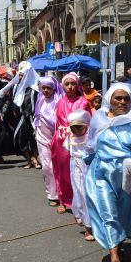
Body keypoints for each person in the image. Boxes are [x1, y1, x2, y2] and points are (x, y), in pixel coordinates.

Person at [85, 83, 131, 262]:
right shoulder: (99, 119)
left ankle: (121, 243)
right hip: (102, 173)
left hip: (128, 177)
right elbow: (90, 146)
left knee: (125, 211)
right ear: (109, 100)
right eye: (117, 98)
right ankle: (114, 256)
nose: (122, 102)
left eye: (126, 98)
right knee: (108, 212)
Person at [52, 73, 91, 213]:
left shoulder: (83, 102)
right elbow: (57, 123)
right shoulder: (60, 102)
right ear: (62, 85)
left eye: (73, 83)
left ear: (77, 85)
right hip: (61, 139)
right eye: (67, 84)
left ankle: (79, 202)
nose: (70, 87)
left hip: (78, 140)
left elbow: (88, 121)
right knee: (62, 171)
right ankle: (63, 199)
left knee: (78, 171)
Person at [34, 76, 64, 207]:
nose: (45, 90)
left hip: (57, 137)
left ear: (53, 88)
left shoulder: (59, 100)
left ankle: (63, 193)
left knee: (59, 166)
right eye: (43, 88)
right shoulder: (39, 99)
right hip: (42, 136)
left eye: (48, 88)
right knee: (47, 166)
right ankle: (52, 194)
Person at [68, 109, 94, 241]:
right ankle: (87, 225)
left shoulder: (90, 137)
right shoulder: (70, 136)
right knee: (80, 193)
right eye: (73, 127)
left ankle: (92, 224)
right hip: (76, 168)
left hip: (89, 168)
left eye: (80, 127)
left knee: (90, 195)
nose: (76, 131)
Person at [12, 61, 40, 169]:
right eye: (19, 75)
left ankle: (36, 159)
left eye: (23, 75)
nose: (21, 77)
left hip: (34, 117)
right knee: (22, 139)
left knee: (35, 139)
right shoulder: (16, 87)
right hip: (22, 117)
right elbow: (14, 101)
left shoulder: (35, 88)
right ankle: (29, 160)